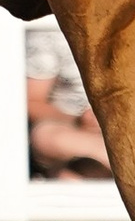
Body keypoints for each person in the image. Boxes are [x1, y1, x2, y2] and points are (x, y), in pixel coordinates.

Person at [23, 25, 111, 170]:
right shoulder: (49, 28)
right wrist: (78, 120)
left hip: (131, 130)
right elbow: (31, 101)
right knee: (44, 137)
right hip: (72, 133)